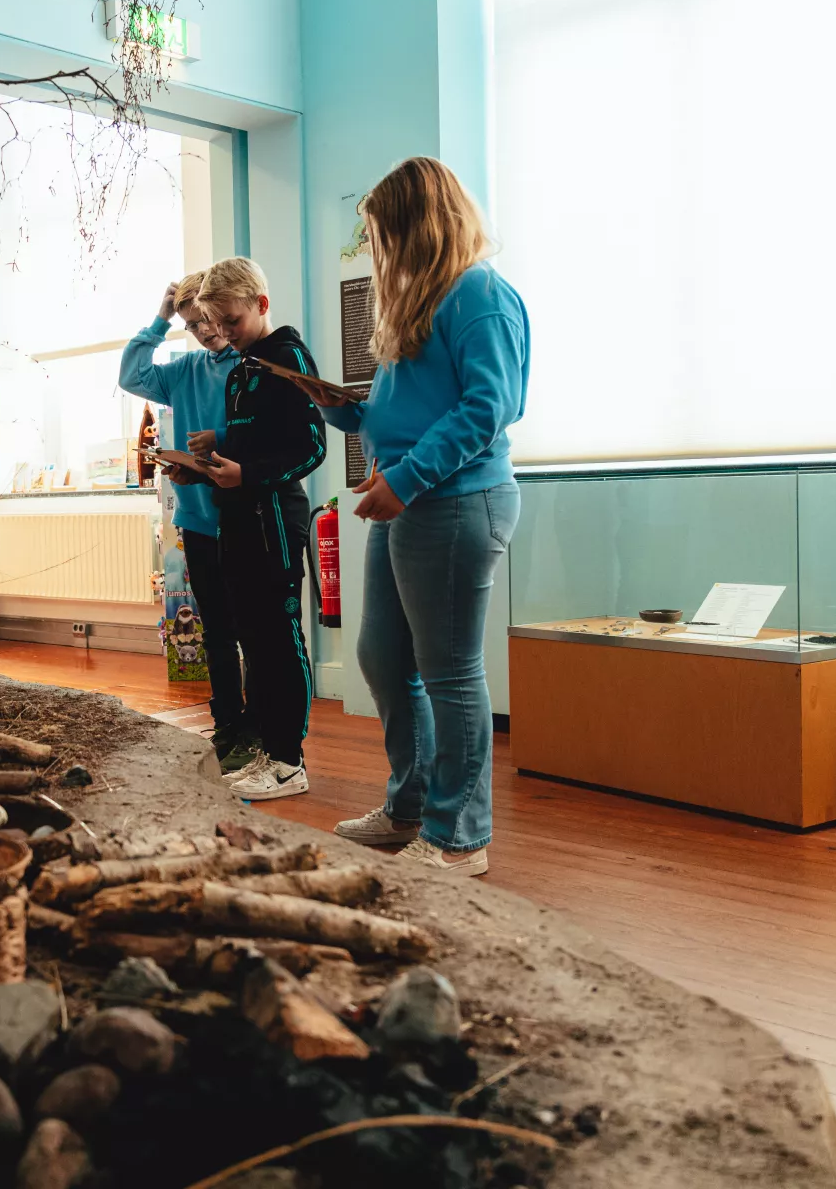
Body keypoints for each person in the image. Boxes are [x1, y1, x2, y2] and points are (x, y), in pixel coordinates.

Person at [300, 156, 529, 876]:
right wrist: (349, 413)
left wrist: (407, 476)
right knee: (384, 657)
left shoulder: (480, 295)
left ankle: (460, 837)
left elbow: (490, 409)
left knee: (451, 671)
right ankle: (410, 807)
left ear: (416, 227)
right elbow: (408, 413)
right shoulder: (421, 303)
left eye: (380, 233)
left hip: (455, 502)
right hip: (408, 499)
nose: (375, 249)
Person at [191, 256, 326, 802]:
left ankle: (291, 761)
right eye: (215, 327)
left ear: (261, 305)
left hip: (274, 524)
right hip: (238, 523)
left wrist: (248, 473)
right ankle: (269, 750)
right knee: (252, 640)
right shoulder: (242, 368)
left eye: (231, 322)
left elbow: (312, 447)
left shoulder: (288, 357)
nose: (223, 335)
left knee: (279, 641)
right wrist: (207, 459)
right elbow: (253, 445)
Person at [118, 271, 256, 771]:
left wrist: (218, 441)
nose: (205, 331)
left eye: (208, 320)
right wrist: (159, 319)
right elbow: (131, 375)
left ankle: (258, 732)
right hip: (198, 521)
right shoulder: (184, 370)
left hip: (248, 516)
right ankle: (226, 727)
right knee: (216, 631)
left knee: (256, 632)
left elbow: (263, 436)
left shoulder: (250, 362)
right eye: (192, 325)